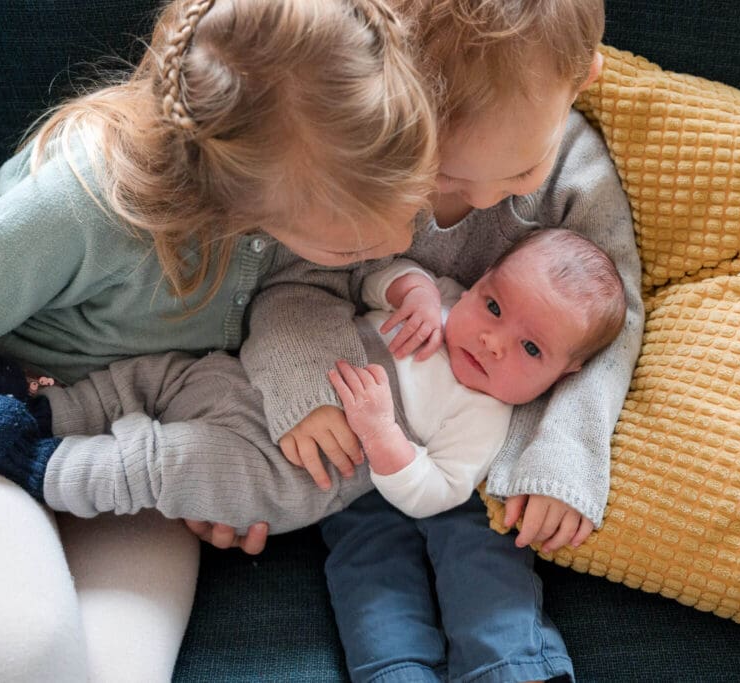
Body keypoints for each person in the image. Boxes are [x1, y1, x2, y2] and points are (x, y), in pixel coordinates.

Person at [0, 0, 437, 680]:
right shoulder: (84, 198)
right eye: (359, 234)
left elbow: (280, 326)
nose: (401, 244)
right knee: (19, 648)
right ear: (243, 187)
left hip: (128, 457)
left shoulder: (286, 225)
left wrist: (232, 482)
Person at [245, 1, 646, 680]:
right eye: (448, 175)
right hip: (363, 449)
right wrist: (305, 390)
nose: (486, 199)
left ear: (581, 81)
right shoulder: (370, 147)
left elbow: (612, 326)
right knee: (371, 577)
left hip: (482, 453)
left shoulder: (577, 170)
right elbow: (293, 279)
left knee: (490, 581)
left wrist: (561, 454)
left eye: (520, 175)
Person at [0, 229, 625, 536]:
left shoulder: (482, 415)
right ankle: (41, 407)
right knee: (156, 377)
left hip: (287, 472)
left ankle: (43, 465)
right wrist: (413, 286)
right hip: (258, 377)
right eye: (494, 304)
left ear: (561, 373)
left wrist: (382, 432)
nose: (490, 338)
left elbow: (434, 491)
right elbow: (367, 275)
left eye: (530, 347)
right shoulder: (446, 304)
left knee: (167, 462)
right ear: (479, 283)